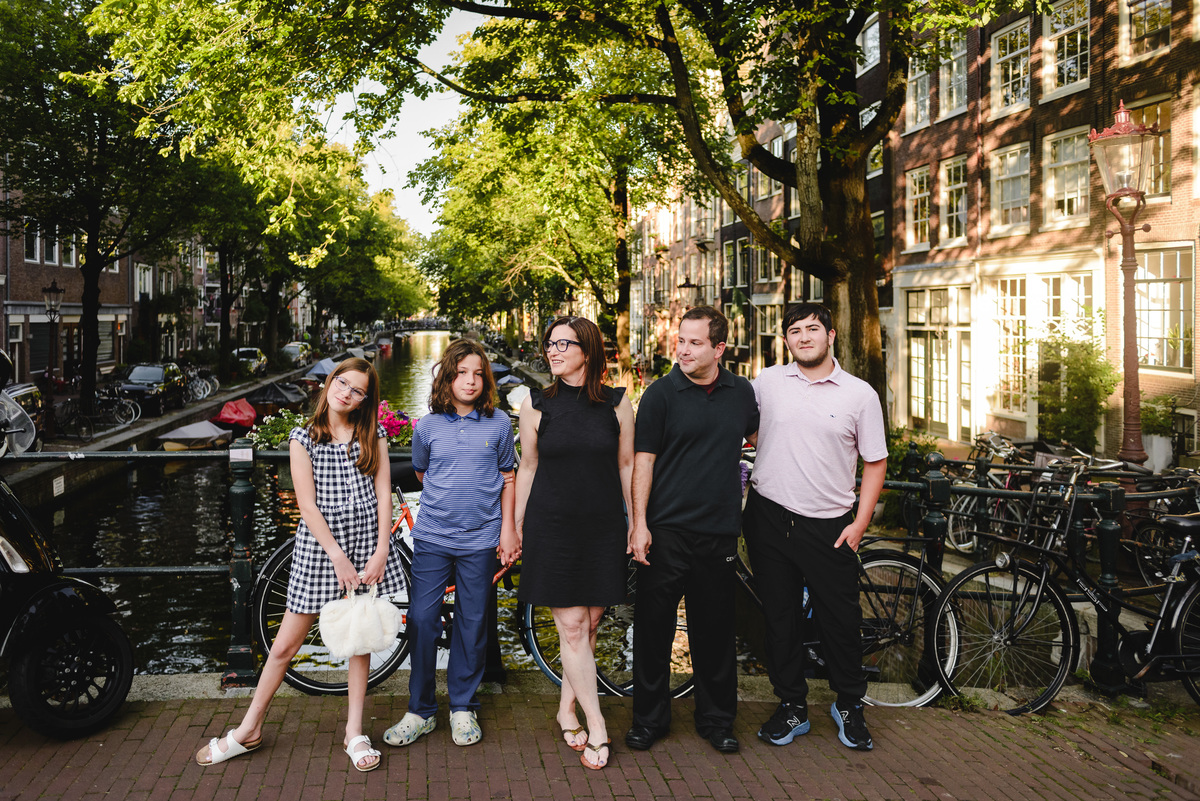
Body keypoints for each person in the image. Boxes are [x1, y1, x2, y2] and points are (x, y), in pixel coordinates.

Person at [195, 357, 402, 772]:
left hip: (366, 543)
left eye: (357, 390)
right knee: (284, 646)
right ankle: (249, 728)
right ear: (329, 383)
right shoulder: (303, 438)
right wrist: (337, 557)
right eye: (342, 383)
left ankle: (354, 731)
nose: (346, 393)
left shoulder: (373, 436)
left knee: (360, 638)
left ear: (365, 400)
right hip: (321, 550)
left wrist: (382, 549)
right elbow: (307, 506)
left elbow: (383, 494)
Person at [742, 301, 887, 752]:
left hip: (829, 525)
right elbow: (746, 428)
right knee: (779, 618)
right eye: (795, 331)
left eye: (812, 329)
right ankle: (792, 705)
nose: (803, 337)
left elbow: (875, 461)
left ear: (830, 335)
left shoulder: (860, 394)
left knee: (839, 620)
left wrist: (860, 523)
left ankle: (849, 704)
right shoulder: (767, 382)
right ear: (786, 339)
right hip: (768, 517)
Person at [625, 306, 758, 755]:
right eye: (680, 340)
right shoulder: (660, 395)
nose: (682, 349)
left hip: (719, 532)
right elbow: (643, 462)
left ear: (719, 348)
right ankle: (649, 720)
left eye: (694, 343)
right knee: (652, 630)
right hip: (665, 532)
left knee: (715, 631)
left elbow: (761, 440)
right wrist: (639, 524)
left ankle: (717, 721)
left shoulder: (742, 393)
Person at [384, 338, 517, 749]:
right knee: (422, 619)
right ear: (447, 377)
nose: (470, 381)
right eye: (462, 373)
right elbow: (423, 474)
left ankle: (462, 706)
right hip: (433, 538)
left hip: (481, 538)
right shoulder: (427, 427)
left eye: (478, 374)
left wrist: (508, 530)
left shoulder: (499, 424)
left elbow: (508, 478)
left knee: (472, 623)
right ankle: (421, 710)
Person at [515, 316, 634, 771]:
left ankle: (566, 709)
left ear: (588, 350)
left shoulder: (618, 404)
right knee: (572, 627)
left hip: (603, 526)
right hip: (552, 526)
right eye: (550, 344)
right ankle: (597, 724)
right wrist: (516, 526)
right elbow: (528, 467)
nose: (553, 350)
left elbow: (626, 466)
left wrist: (636, 522)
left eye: (563, 343)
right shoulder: (535, 405)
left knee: (590, 623)